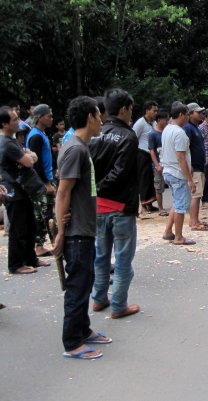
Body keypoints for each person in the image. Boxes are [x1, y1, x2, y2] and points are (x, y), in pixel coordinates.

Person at [53, 96, 111, 360]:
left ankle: (83, 329)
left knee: (85, 283)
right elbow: (62, 192)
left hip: (84, 229)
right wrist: (61, 232)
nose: (102, 120)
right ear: (89, 116)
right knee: (77, 286)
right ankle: (72, 342)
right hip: (76, 233)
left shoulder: (80, 147)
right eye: (99, 115)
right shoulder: (75, 149)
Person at [89, 88, 140, 319]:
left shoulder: (95, 135)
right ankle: (119, 304)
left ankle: (99, 299)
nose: (131, 114)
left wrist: (95, 190)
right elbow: (121, 171)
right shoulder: (128, 137)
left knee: (101, 256)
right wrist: (102, 187)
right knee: (122, 259)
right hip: (120, 207)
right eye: (130, 109)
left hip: (98, 206)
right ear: (123, 109)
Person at [0, 106, 46, 274]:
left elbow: (29, 156)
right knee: (18, 229)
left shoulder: (12, 141)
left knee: (29, 225)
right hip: (14, 190)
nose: (18, 122)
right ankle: (16, 264)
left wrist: (29, 155)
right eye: (14, 120)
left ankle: (30, 258)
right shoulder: (6, 143)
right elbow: (28, 160)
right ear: (5, 124)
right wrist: (29, 156)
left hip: (23, 189)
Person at [161, 102, 196, 246]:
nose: (188, 118)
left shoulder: (167, 129)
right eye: (187, 115)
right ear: (181, 115)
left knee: (177, 203)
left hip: (168, 171)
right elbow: (180, 157)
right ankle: (179, 237)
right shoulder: (179, 132)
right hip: (177, 173)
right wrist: (189, 179)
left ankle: (168, 232)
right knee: (181, 206)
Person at [26, 104, 57, 256]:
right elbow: (36, 163)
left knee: (49, 212)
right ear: (39, 118)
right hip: (39, 182)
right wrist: (46, 183)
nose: (51, 119)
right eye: (48, 116)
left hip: (48, 178)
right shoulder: (35, 136)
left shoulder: (43, 134)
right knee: (42, 214)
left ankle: (52, 243)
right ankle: (38, 245)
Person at [184, 103, 208, 231]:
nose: (200, 114)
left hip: (200, 165)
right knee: (196, 194)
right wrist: (190, 166)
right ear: (190, 114)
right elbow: (185, 149)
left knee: (199, 194)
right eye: (197, 112)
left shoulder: (196, 128)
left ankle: (196, 219)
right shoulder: (188, 128)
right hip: (195, 166)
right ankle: (193, 221)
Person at [133, 101, 158, 213]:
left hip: (151, 155)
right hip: (142, 154)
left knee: (150, 180)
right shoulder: (140, 123)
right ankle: (143, 206)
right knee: (143, 180)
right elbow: (133, 138)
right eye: (154, 111)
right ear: (147, 111)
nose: (156, 113)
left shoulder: (153, 123)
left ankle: (150, 204)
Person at [148, 109, 169, 216]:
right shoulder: (152, 134)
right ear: (160, 120)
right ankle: (161, 208)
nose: (167, 121)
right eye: (166, 120)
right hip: (159, 164)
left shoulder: (167, 132)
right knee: (159, 187)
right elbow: (151, 151)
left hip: (168, 163)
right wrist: (157, 165)